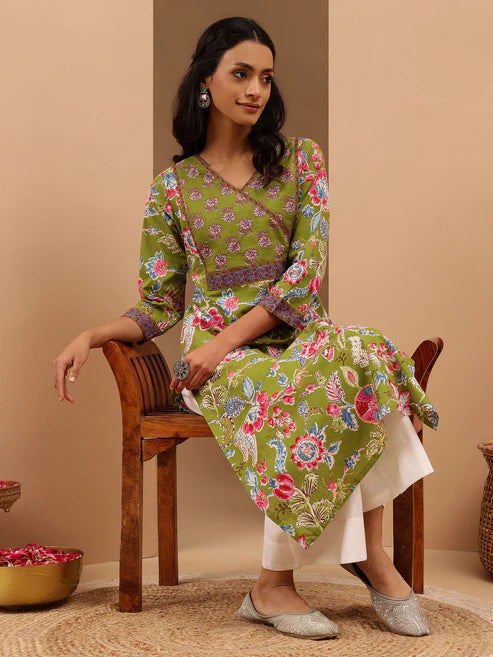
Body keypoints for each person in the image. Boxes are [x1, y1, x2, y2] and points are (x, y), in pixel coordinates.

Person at [52, 16, 439, 641]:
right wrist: (93, 334)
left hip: (280, 338)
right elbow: (159, 302)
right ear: (206, 81)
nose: (256, 89)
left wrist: (225, 339)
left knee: (364, 354)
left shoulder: (302, 161)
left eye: (265, 77)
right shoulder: (172, 189)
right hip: (223, 363)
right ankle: (273, 586)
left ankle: (369, 555)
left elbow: (306, 274)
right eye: (241, 74)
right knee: (301, 388)